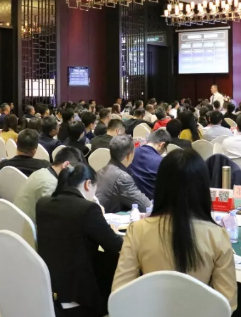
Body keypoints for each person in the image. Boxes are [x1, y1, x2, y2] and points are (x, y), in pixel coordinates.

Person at [113, 149, 237, 309]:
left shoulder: (138, 230)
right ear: (203, 188)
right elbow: (227, 303)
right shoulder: (217, 235)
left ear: (160, 186)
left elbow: (120, 292)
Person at [36, 163, 123, 317]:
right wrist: (115, 232)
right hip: (80, 293)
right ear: (88, 184)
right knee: (121, 259)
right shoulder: (87, 209)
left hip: (52, 286)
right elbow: (115, 245)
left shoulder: (42, 204)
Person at [14, 147, 84, 223]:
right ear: (66, 165)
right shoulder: (52, 185)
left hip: (16, 222)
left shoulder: (40, 172)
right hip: (28, 228)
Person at [96, 135, 151, 213]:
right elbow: (145, 206)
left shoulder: (101, 170)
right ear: (129, 156)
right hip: (108, 218)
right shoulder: (122, 178)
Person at [128, 129, 171, 199]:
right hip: (152, 201)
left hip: (129, 198)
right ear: (162, 145)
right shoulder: (162, 162)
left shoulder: (131, 153)